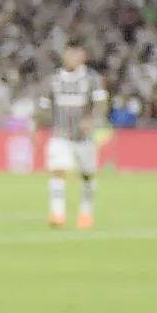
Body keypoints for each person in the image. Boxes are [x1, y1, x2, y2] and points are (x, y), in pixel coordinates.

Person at [42, 42, 109, 229]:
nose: (72, 57)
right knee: (58, 170)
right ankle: (57, 213)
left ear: (83, 56)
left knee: (87, 175)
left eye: (76, 53)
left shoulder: (92, 79)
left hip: (84, 137)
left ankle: (86, 213)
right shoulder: (53, 80)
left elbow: (101, 104)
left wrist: (92, 120)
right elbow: (44, 106)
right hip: (60, 134)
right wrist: (38, 124)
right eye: (69, 53)